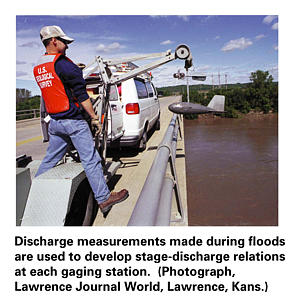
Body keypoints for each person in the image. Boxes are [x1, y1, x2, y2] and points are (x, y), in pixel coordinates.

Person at [33, 25, 128, 214]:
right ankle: (104, 198)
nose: (67, 46)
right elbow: (81, 95)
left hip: (55, 123)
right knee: (91, 159)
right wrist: (94, 118)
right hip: (74, 122)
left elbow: (57, 89)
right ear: (54, 41)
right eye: (64, 42)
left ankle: (34, 192)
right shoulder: (64, 64)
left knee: (50, 159)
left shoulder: (38, 66)